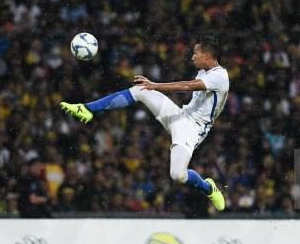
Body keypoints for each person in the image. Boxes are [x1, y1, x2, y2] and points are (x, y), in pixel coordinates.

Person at [60, 36, 227, 211]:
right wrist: (151, 87)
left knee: (177, 175)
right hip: (180, 115)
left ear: (207, 55)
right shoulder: (203, 71)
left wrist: (155, 85)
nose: (192, 57)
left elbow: (187, 86)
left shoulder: (220, 76)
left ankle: (208, 187)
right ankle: (88, 109)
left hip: (193, 130)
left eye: (195, 53)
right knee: (141, 89)